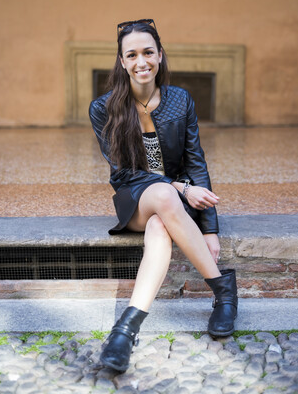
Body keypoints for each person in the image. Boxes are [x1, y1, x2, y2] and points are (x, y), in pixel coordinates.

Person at [89, 18, 238, 372]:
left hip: (170, 203)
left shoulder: (180, 100)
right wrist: (179, 187)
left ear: (160, 55)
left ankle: (125, 332)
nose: (142, 62)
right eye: (132, 55)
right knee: (164, 197)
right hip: (135, 197)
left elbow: (194, 160)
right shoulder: (104, 108)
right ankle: (224, 291)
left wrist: (210, 228)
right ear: (122, 61)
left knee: (160, 227)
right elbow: (122, 172)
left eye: (148, 52)